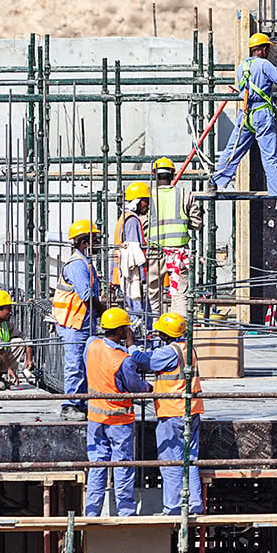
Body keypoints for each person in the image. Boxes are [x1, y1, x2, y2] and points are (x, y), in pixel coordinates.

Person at [210, 33, 277, 208]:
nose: (268, 52)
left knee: (233, 149)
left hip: (245, 114)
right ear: (261, 49)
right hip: (261, 115)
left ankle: (214, 182)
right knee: (270, 156)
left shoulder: (242, 66)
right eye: (267, 48)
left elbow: (241, 89)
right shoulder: (264, 65)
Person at [128, 312, 204, 515]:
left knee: (170, 461)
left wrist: (131, 344)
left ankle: (173, 508)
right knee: (190, 460)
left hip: (173, 413)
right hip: (191, 410)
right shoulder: (187, 348)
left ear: (165, 333)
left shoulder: (170, 352)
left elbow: (143, 361)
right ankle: (194, 505)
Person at [83, 307, 151, 517]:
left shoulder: (91, 345)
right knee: (122, 465)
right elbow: (134, 386)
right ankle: (125, 511)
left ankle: (92, 512)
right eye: (126, 327)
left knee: (97, 464)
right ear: (121, 331)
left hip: (95, 417)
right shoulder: (123, 359)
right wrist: (148, 387)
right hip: (118, 420)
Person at [52, 219, 104, 421]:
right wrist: (105, 312)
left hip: (82, 322)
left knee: (83, 365)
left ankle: (81, 402)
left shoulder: (84, 263)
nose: (98, 244)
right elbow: (86, 296)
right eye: (95, 240)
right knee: (74, 365)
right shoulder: (77, 265)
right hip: (74, 323)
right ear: (84, 242)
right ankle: (70, 405)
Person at [146, 157, 203, 316]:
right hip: (178, 253)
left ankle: (153, 329)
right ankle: (179, 330)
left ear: (154, 174)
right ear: (172, 174)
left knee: (153, 293)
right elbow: (197, 223)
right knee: (179, 293)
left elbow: (142, 223)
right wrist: (185, 224)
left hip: (154, 251)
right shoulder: (183, 194)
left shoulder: (148, 195)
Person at [113, 181, 150, 315]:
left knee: (133, 308)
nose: (148, 205)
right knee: (137, 311)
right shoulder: (132, 219)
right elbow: (134, 251)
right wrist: (142, 276)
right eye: (146, 200)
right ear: (138, 201)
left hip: (122, 271)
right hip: (131, 274)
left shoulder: (124, 217)